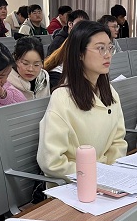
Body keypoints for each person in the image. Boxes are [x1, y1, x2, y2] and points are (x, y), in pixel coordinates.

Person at [37, 21, 127, 180]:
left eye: (109, 48)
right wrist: (94, 172)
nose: (108, 54)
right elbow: (51, 162)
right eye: (100, 48)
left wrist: (111, 172)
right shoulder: (62, 98)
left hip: (107, 178)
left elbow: (118, 142)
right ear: (79, 53)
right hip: (74, 181)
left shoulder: (109, 91)